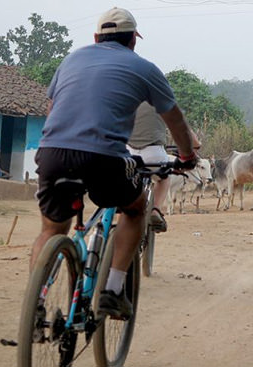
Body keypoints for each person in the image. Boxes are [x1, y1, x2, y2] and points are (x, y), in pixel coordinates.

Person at [32, 7, 197, 320]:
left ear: (96, 38)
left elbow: (52, 107)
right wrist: (188, 157)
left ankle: (36, 307)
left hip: (52, 151)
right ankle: (112, 290)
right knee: (135, 210)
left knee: (51, 229)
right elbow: (175, 119)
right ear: (133, 40)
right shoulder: (144, 68)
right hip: (105, 157)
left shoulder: (71, 59)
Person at [127, 102, 201, 233]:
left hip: (125, 152)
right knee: (163, 178)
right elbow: (180, 126)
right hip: (153, 152)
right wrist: (196, 145)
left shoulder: (125, 94)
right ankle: (156, 209)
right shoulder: (159, 96)